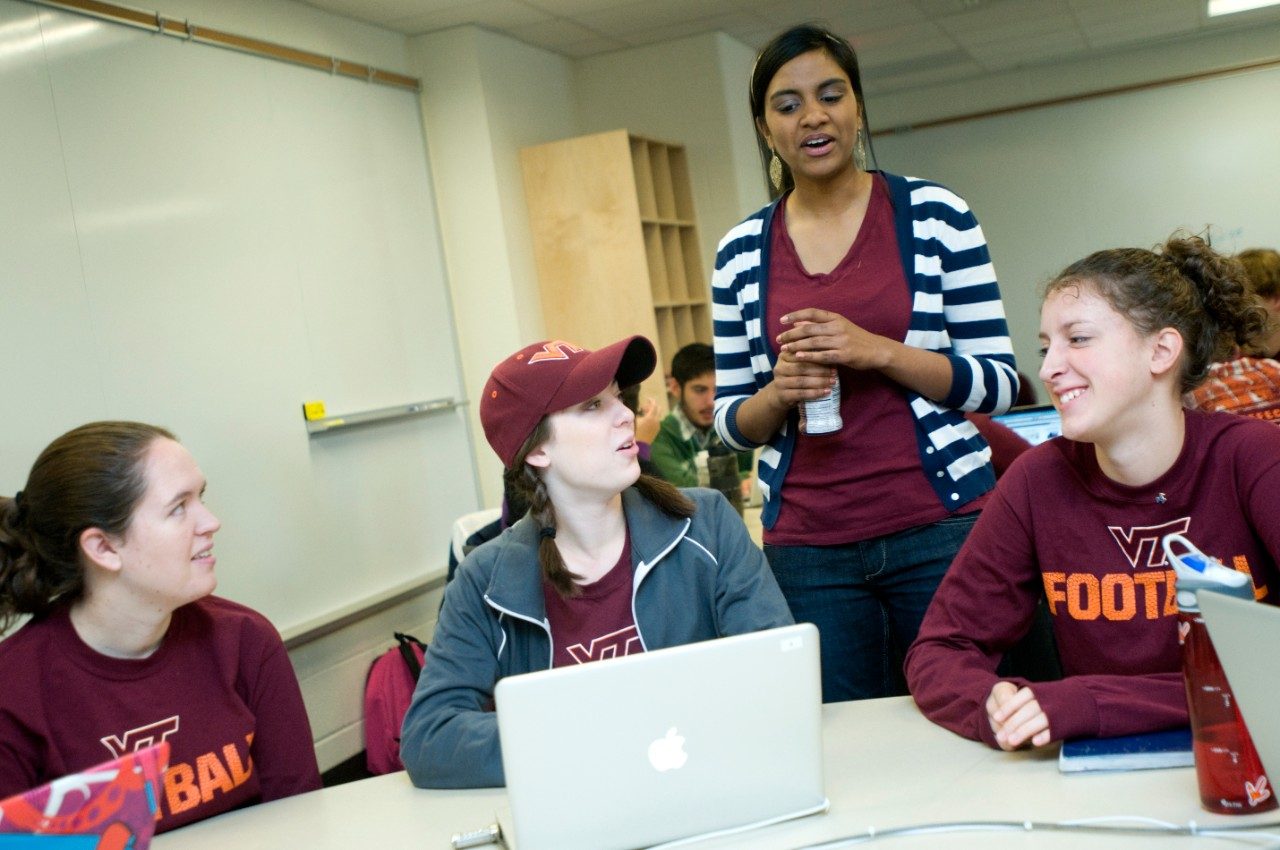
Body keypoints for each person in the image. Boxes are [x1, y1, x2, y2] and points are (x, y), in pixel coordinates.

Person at [711, 23, 1019, 702]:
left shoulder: (936, 216)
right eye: (787, 105)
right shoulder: (740, 253)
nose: (812, 117)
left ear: (857, 107)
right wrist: (779, 392)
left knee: (972, 718)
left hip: (943, 526)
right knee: (844, 744)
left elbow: (999, 383)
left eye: (831, 95)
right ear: (765, 129)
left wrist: (876, 350)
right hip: (809, 549)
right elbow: (730, 424)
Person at [906, 235, 1280, 751]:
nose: (1047, 368)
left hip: (1254, 760)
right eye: (1046, 347)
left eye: (1077, 339)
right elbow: (940, 650)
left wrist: (1094, 704)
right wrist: (991, 702)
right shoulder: (1036, 481)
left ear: (1161, 350)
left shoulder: (1257, 459)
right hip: (1105, 773)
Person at [399, 336, 793, 788]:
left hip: (712, 785)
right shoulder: (483, 580)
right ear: (537, 450)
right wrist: (602, 735)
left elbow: (776, 675)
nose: (626, 414)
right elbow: (431, 737)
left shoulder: (706, 524)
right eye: (591, 406)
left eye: (616, 397)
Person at [0, 422, 320, 831]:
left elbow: (303, 820)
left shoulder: (246, 641)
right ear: (103, 547)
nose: (211, 522)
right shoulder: (13, 693)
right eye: (178, 508)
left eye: (200, 497)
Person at [1186, 247, 1280, 423]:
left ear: (1276, 299)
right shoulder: (1229, 358)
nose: (1238, 308)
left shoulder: (1269, 370)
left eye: (1248, 299)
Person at [651, 343, 753, 488]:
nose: (712, 402)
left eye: (718, 390)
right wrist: (738, 481)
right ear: (675, 388)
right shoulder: (660, 438)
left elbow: (755, 474)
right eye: (700, 390)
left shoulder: (731, 425)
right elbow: (685, 491)